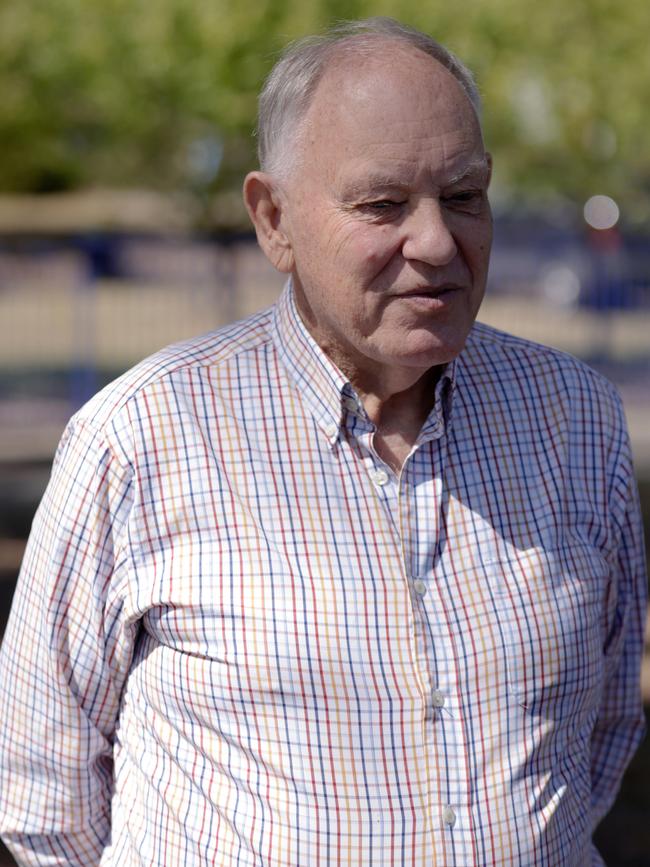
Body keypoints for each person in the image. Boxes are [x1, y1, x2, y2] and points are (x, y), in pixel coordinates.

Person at [0, 17, 646, 867]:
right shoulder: (142, 437)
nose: (437, 242)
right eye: (384, 204)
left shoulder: (577, 421)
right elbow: (46, 792)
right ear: (274, 219)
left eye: (464, 195)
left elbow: (600, 731)